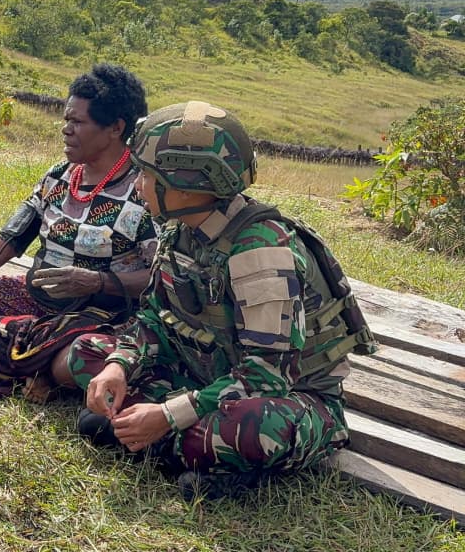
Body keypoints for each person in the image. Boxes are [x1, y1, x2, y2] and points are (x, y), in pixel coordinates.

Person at [63, 101, 377, 500]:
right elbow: (156, 319)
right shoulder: (181, 230)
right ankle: (177, 446)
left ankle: (161, 440)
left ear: (188, 185)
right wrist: (118, 367)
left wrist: (165, 415)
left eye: (147, 174)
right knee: (87, 352)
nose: (137, 184)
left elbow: (267, 375)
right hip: (208, 378)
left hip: (284, 399)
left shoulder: (261, 252)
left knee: (254, 427)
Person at [0, 63, 155, 399]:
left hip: (100, 314)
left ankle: (32, 360)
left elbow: (159, 276)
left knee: (73, 361)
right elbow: (8, 242)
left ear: (115, 128)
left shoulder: (142, 190)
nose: (66, 130)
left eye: (77, 122)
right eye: (66, 119)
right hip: (37, 301)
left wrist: (98, 282)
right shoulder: (59, 177)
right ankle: (32, 351)